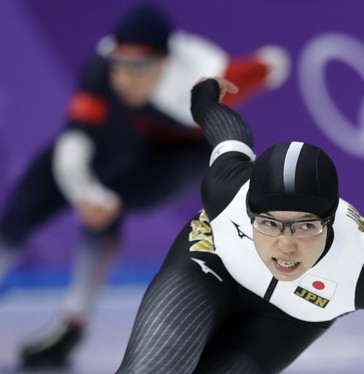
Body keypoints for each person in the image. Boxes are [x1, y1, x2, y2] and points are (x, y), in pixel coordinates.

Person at [0, 4, 290, 369]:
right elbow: (75, 141)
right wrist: (87, 194)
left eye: (140, 67)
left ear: (166, 63)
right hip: (127, 135)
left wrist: (271, 64)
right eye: (121, 63)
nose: (126, 77)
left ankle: (74, 319)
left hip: (181, 153)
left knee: (113, 203)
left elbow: (270, 65)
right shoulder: (102, 67)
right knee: (24, 209)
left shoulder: (209, 79)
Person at [115, 77, 364, 373]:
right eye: (269, 224)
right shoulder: (227, 190)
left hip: (286, 321)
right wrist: (204, 97)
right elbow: (231, 134)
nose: (286, 245)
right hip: (211, 265)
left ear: (329, 223)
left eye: (305, 227)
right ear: (248, 212)